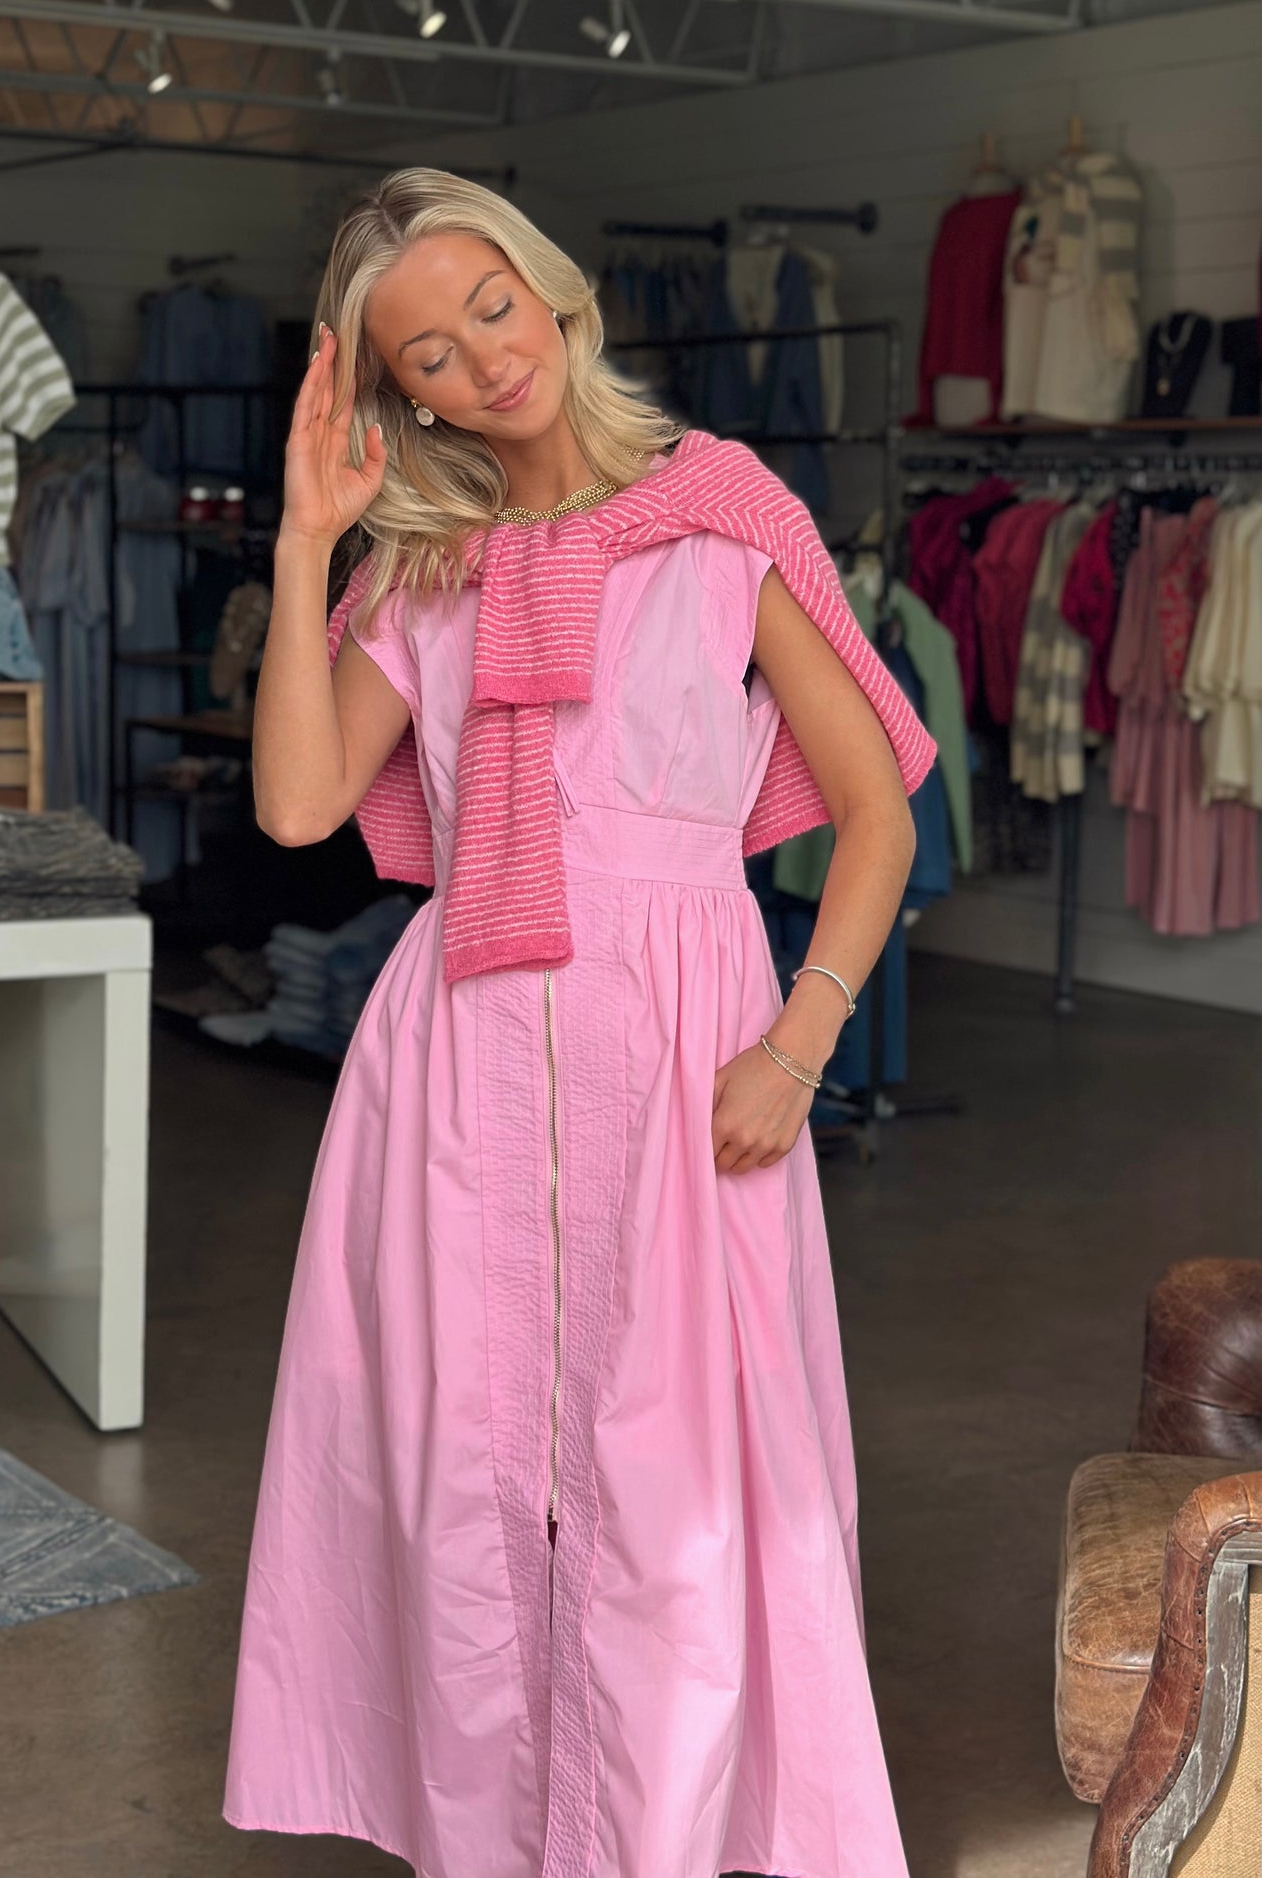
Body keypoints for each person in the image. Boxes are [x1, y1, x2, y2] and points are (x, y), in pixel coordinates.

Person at [223, 168, 932, 1878]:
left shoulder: (721, 507)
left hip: (689, 1040)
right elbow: (304, 806)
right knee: (456, 1464)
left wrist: (798, 1044)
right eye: (426, 354)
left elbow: (876, 804)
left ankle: (670, 1830)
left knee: (686, 1484)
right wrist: (309, 533)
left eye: (488, 306)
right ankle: (492, 1827)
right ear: (397, 396)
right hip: (453, 1053)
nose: (479, 358)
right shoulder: (427, 566)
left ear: (551, 293)